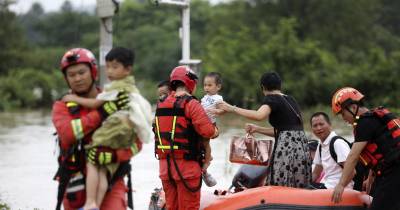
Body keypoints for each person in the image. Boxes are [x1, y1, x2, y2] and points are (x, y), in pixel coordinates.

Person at [61, 47, 153, 210]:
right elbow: (68, 135)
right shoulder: (62, 106)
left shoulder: (112, 95)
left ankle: (91, 203)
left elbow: (136, 143)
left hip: (113, 181)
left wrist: (113, 155)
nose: (77, 78)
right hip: (75, 183)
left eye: (81, 72)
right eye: (71, 75)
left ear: (93, 71)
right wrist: (103, 113)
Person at [218, 71, 311, 188]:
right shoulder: (291, 100)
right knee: (297, 185)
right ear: (280, 85)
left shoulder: (272, 98)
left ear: (263, 87)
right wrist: (257, 129)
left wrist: (232, 108)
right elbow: (284, 132)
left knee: (280, 184)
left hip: (287, 148)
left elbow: (259, 115)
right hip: (301, 146)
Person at [153, 65, 219, 209]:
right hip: (187, 170)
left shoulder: (161, 104)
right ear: (191, 83)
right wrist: (216, 130)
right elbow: (208, 132)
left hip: (165, 170)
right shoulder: (192, 104)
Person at [331, 87, 400, 210]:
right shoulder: (375, 118)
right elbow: (383, 149)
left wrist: (341, 185)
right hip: (390, 170)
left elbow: (353, 156)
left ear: (353, 107)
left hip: (394, 172)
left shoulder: (364, 123)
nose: (343, 118)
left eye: (342, 113)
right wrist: (371, 177)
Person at [310, 112, 353, 189]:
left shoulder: (338, 143)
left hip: (340, 189)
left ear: (330, 125)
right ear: (312, 129)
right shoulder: (320, 145)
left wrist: (341, 186)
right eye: (315, 126)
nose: (318, 128)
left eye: (321, 124)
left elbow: (352, 171)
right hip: (327, 185)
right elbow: (316, 173)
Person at [200, 72, 224, 187]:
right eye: (205, 85)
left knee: (206, 142)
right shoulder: (205, 97)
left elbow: (223, 110)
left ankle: (207, 161)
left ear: (218, 87)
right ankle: (207, 157)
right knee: (201, 143)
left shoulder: (218, 98)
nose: (206, 88)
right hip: (201, 123)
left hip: (210, 124)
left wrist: (217, 111)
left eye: (209, 85)